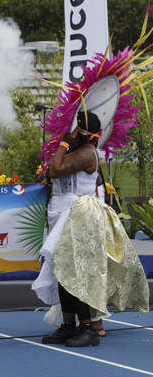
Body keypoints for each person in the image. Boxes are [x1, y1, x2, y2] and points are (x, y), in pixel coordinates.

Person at [33, 110, 149, 347]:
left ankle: (88, 328)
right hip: (65, 215)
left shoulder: (86, 153)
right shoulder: (80, 152)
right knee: (62, 271)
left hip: (79, 217)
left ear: (82, 132)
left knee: (75, 272)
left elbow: (55, 170)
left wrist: (65, 143)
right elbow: (54, 175)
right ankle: (68, 325)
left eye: (77, 128)